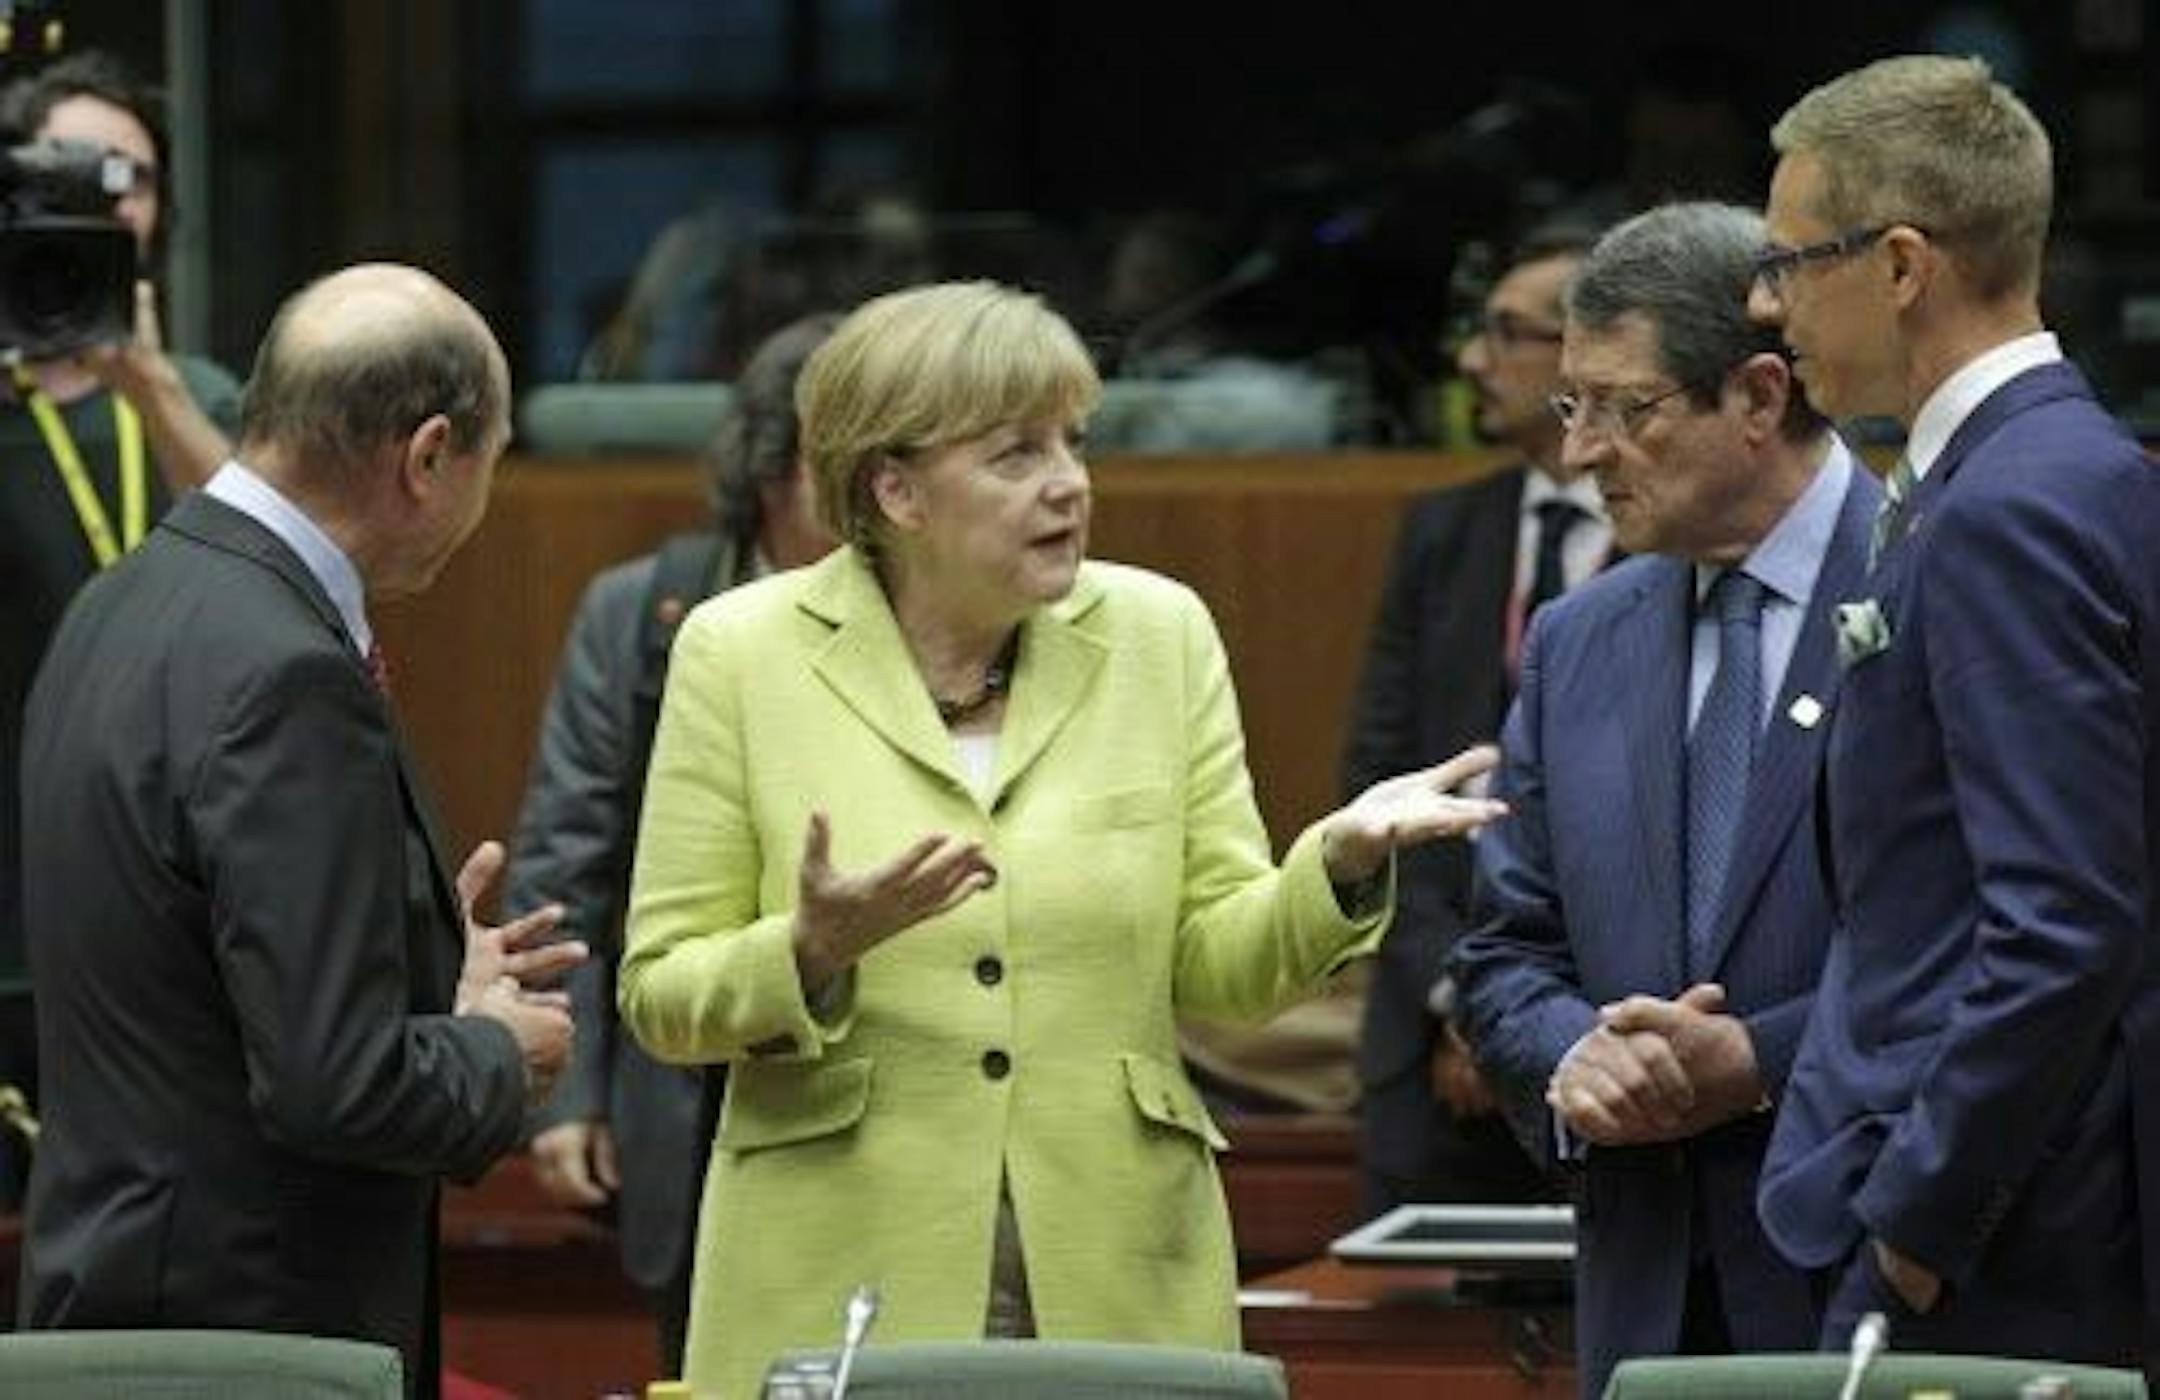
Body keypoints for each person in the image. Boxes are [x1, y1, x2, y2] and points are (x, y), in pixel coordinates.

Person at [618, 279, 1507, 1399]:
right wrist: (808, 947)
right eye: (1014, 454)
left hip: (1113, 1251)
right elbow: (660, 994)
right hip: (838, 1254)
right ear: (895, 487)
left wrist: (1335, 863)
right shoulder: (738, 650)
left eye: (1074, 443)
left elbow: (1217, 964)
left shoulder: (1157, 632)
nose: (1069, 483)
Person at [16, 264, 582, 1398]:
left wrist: (428, 975)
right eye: (488, 460)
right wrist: (495, 1049)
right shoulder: (285, 669)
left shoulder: (125, 597)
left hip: (109, 1289)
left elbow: (193, 977)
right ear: (428, 456)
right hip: (252, 1333)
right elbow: (336, 1083)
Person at [1748, 56, 2160, 1373]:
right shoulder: (2066, 467)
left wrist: (1921, 1217)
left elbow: (2065, 919)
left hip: (2005, 1245)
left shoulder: (2007, 508)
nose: (1771, 304)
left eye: (1794, 260)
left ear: (1902, 264)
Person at [1448, 203, 1877, 1399]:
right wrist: (1576, 1061)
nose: (1581, 452)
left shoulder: (1933, 575)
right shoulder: (1580, 636)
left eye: (1623, 408)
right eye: (1570, 404)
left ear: (1756, 396)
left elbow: (1998, 938)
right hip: (1644, 1296)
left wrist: (1756, 1058)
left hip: (1883, 1279)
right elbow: (1505, 950)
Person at [507, 312, 841, 1376]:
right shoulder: (641, 613)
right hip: (687, 1089)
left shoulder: (929, 611)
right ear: (771, 467)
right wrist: (569, 1092)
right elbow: (567, 855)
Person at [0, 48, 241, 1210]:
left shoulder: (194, 393)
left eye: (127, 178)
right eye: (63, 174)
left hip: (180, 903)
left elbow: (285, 561)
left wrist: (147, 385)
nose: (104, 203)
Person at [1340, 224, 1598, 1215]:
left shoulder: (1679, 547)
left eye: (1504, 333)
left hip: (1604, 1043)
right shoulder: (1442, 532)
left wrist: (1529, 1022)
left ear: (1584, 354)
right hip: (1424, 1040)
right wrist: (1464, 998)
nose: (1469, 361)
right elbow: (1380, 779)